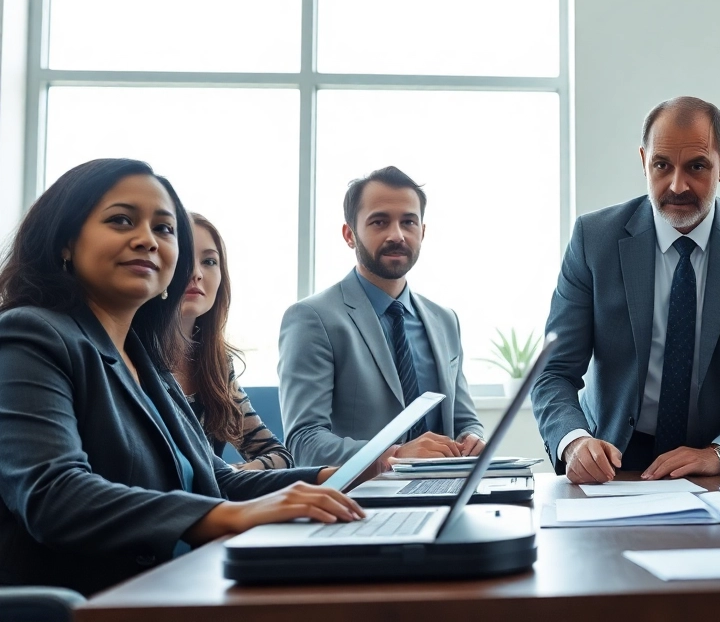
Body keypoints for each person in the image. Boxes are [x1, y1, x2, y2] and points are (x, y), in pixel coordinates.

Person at [0, 159, 363, 596]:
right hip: (103, 602)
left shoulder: (144, 359)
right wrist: (226, 516)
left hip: (184, 586)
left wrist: (341, 476)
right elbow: (56, 496)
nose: (147, 241)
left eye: (164, 229)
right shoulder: (29, 335)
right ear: (65, 242)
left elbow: (218, 479)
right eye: (121, 220)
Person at [532, 97, 720, 483]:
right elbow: (553, 372)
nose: (677, 185)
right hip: (614, 457)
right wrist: (573, 440)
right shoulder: (594, 239)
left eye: (697, 166)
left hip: (715, 459)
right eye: (662, 165)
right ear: (643, 161)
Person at [279, 166, 484, 467]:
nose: (397, 235)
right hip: (360, 505)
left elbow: (465, 420)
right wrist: (395, 456)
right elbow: (304, 442)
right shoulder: (312, 319)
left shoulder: (445, 321)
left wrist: (473, 439)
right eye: (379, 221)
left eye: (408, 222)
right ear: (350, 234)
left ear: (422, 232)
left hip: (446, 495)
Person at [174, 213, 293, 470]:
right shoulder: (133, 361)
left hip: (213, 505)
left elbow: (278, 455)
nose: (195, 273)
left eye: (209, 261)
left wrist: (231, 475)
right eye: (181, 258)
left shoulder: (215, 363)